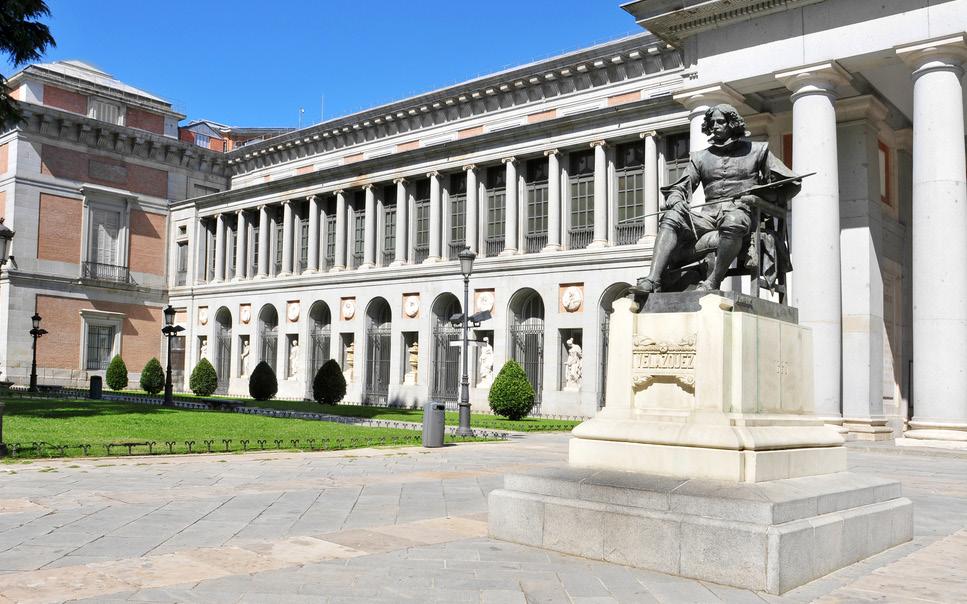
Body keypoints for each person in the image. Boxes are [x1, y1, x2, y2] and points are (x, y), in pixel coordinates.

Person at [632, 103, 801, 294]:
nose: (715, 126)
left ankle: (714, 280)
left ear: (732, 123)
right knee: (672, 216)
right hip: (707, 217)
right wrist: (676, 199)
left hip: (743, 213)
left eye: (720, 122)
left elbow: (792, 184)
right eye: (712, 123)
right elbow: (679, 186)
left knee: (733, 220)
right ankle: (653, 280)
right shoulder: (701, 157)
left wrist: (764, 196)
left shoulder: (758, 150)